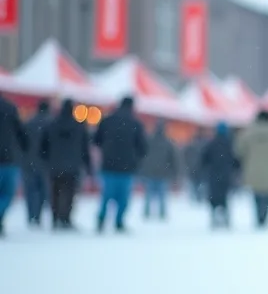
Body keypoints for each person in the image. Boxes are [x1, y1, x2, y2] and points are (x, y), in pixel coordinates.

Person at [92, 97, 148, 233]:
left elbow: (96, 140)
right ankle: (119, 221)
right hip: (127, 167)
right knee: (123, 197)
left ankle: (101, 218)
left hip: (108, 164)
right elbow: (143, 148)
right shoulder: (135, 124)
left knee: (106, 195)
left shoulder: (107, 121)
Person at [39, 99, 93, 230]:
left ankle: (55, 217)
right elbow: (84, 149)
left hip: (54, 166)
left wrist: (47, 160)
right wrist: (88, 167)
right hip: (72, 167)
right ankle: (66, 218)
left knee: (55, 192)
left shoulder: (51, 124)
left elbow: (43, 146)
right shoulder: (79, 126)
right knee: (69, 194)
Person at [235, 110, 268, 229]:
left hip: (252, 170)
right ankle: (265, 217)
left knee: (256, 196)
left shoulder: (248, 133)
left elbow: (239, 151)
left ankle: (258, 217)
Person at [138, 122, 182, 220]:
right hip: (163, 173)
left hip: (150, 172)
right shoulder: (168, 143)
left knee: (148, 195)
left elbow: (142, 156)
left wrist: (141, 170)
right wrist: (175, 174)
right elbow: (174, 159)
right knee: (162, 196)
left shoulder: (149, 141)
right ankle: (162, 214)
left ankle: (147, 213)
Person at [0, 92, 29, 237]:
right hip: (8, 158)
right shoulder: (10, 108)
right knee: (7, 194)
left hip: (8, 158)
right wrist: (24, 148)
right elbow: (20, 132)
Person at [200, 122, 239, 229]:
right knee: (224, 198)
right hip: (226, 175)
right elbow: (236, 160)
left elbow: (204, 159)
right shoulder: (230, 144)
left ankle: (214, 218)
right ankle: (226, 219)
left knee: (214, 197)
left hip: (214, 174)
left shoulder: (212, 143)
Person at [22, 100, 52, 227]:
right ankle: (38, 216)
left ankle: (31, 215)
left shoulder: (29, 122)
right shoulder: (50, 123)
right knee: (42, 191)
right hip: (44, 162)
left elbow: (22, 141)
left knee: (30, 190)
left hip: (28, 161)